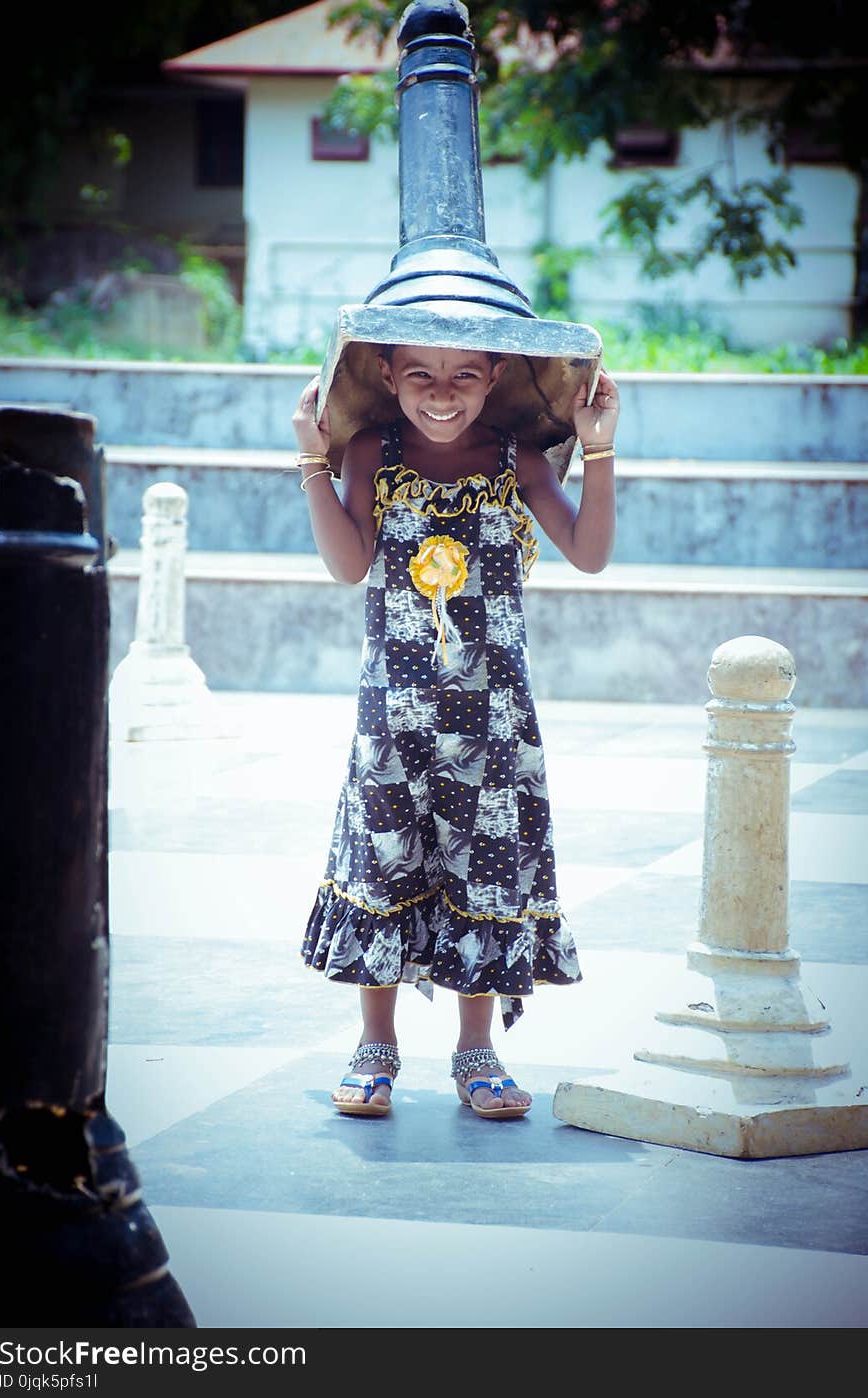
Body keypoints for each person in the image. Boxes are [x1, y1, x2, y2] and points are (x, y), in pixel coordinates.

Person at [292, 342, 619, 1119]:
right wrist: (313, 463)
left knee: (488, 862)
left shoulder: (519, 460)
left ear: (496, 377)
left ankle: (477, 1049)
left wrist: (599, 446)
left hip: (493, 713)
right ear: (385, 376)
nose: (443, 394)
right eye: (421, 376)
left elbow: (591, 553)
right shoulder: (373, 452)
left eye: (464, 376)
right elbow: (348, 566)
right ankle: (376, 1042)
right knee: (384, 855)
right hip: (394, 709)